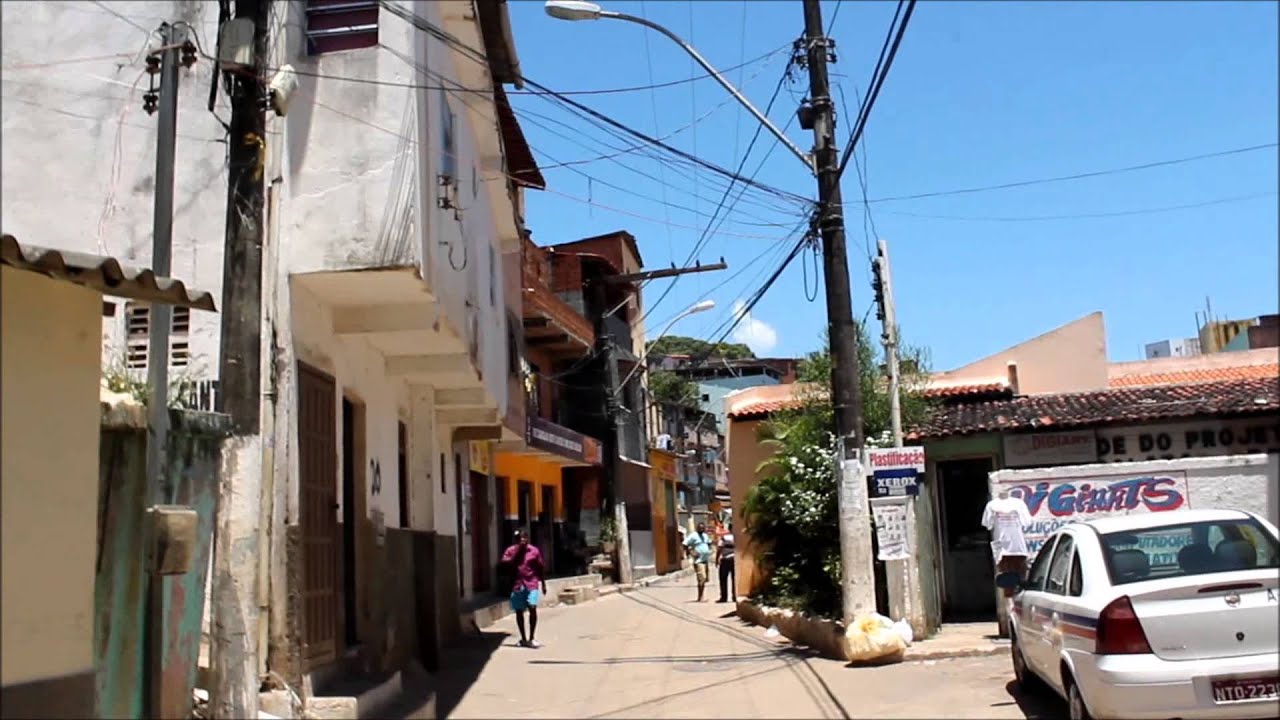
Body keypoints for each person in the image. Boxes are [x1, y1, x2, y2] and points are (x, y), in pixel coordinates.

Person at [500, 530, 547, 648]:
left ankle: (532, 637)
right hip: (517, 584)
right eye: (519, 538)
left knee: (532, 607)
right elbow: (504, 564)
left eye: (524, 538)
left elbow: (540, 567)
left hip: (532, 583)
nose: (522, 540)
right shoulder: (510, 551)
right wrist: (517, 553)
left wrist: (543, 584)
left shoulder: (534, 551)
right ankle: (523, 638)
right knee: (519, 611)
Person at [683, 522, 714, 602]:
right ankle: (700, 597)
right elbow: (685, 544)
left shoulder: (705, 536)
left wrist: (710, 550)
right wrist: (691, 552)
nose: (702, 529)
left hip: (705, 560)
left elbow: (709, 543)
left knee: (705, 579)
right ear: (697, 528)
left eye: (703, 528)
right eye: (700, 528)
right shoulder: (693, 535)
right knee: (701, 578)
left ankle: (701, 595)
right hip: (698, 561)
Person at [716, 524, 736, 603]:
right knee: (735, 579)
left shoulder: (724, 538)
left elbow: (719, 548)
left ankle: (724, 597)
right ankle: (735, 596)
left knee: (723, 579)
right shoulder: (739, 538)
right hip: (735, 560)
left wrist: (717, 559)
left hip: (726, 559)